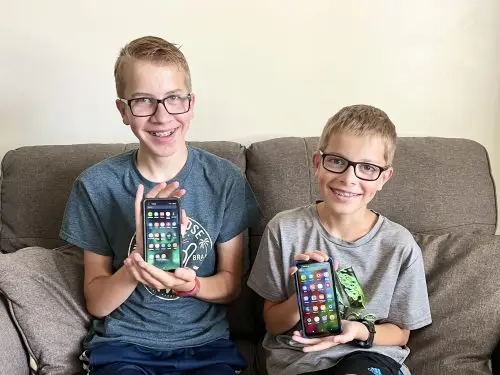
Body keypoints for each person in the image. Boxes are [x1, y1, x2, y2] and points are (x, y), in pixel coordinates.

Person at [60, 35, 260, 375]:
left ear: (191, 104)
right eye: (143, 101)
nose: (161, 115)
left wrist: (191, 285)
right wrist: (137, 260)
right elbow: (97, 302)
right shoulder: (95, 186)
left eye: (173, 99)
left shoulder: (224, 180)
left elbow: (229, 286)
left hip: (206, 347)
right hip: (124, 347)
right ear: (123, 110)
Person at [248, 104, 432, 375]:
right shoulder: (285, 229)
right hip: (302, 361)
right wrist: (303, 294)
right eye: (337, 161)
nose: (348, 179)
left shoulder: (399, 244)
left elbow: (401, 333)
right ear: (317, 163)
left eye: (367, 168)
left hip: (368, 356)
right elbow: (273, 324)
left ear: (384, 177)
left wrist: (358, 330)